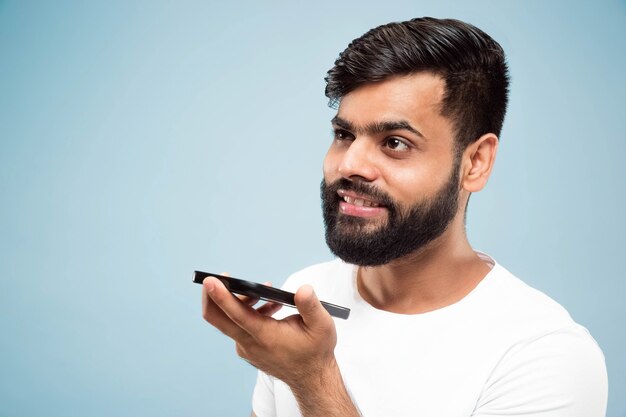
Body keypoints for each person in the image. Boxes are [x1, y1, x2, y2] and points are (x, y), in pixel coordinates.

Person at [201, 17, 608, 417]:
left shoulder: (545, 354)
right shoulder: (305, 295)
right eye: (344, 135)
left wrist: (311, 378)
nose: (351, 164)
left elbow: (311, 376)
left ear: (475, 163)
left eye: (395, 142)